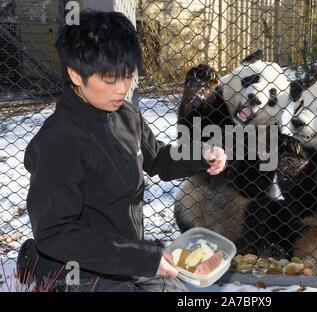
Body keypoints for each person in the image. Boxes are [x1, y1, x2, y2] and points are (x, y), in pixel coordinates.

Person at [16, 10, 227, 292]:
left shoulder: (126, 115)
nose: (122, 89)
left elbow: (159, 159)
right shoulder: (59, 142)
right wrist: (142, 257)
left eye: (127, 76)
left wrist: (200, 156)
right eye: (110, 79)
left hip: (126, 258)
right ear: (76, 74)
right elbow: (55, 234)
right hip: (79, 270)